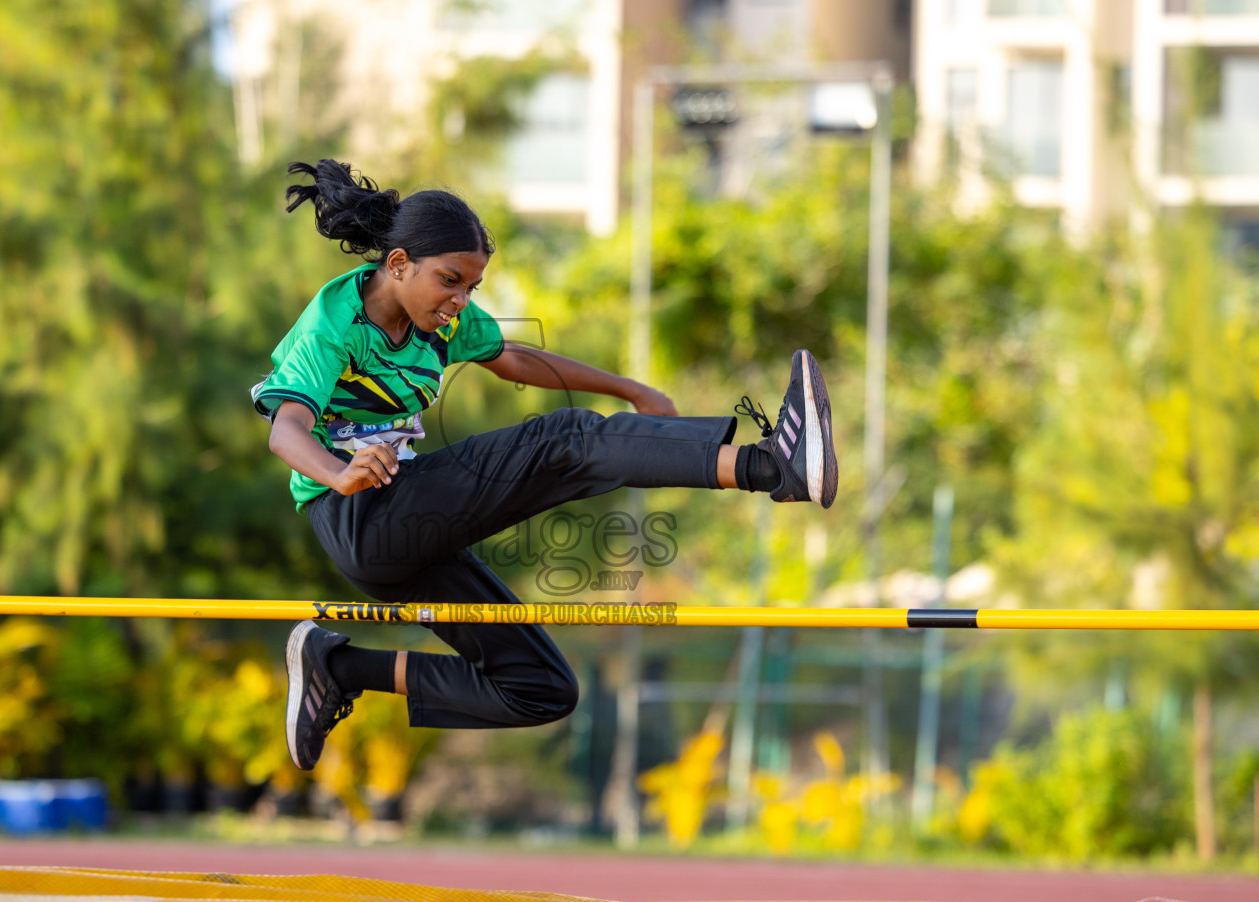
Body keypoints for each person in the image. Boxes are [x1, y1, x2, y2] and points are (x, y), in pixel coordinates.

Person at [253, 159, 838, 771]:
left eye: (472, 288)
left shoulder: (442, 321)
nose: (460, 301)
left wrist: (629, 389)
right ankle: (772, 467)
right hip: (356, 513)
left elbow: (516, 359)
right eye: (450, 282)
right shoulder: (332, 327)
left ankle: (338, 665)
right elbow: (286, 429)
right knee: (565, 439)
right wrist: (339, 472)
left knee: (538, 687)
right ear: (398, 264)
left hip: (405, 528)